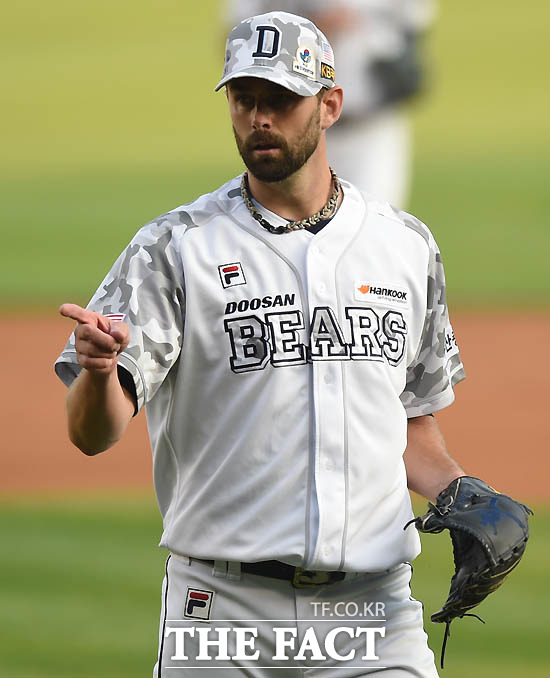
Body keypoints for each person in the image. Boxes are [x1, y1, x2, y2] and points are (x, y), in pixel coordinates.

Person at [55, 11, 466, 677]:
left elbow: (411, 424)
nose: (259, 118)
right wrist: (100, 374)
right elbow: (92, 435)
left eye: (280, 100)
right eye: (245, 100)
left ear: (331, 105)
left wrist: (457, 490)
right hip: (220, 608)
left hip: (372, 611)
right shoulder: (175, 248)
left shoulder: (404, 246)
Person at [224, 0, 436, 208]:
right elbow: (240, 39)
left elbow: (415, 24)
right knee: (285, 226)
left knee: (376, 226)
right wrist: (307, 35)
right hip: (292, 128)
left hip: (373, 128)